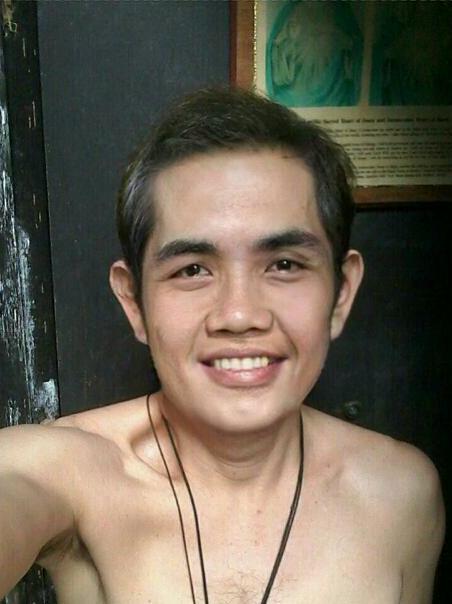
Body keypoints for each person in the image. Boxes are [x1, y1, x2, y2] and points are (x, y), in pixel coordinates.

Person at [0, 88, 445, 604]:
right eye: (192, 270)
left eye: (284, 265)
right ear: (134, 302)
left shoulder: (402, 495)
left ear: (341, 293)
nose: (239, 315)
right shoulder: (69, 474)